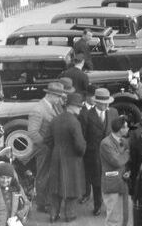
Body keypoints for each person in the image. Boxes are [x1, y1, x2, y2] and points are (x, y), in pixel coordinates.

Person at [46, 92, 86, 223]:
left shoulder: (55, 120)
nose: (80, 109)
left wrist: (56, 149)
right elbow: (80, 145)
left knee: (56, 188)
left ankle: (53, 214)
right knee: (72, 188)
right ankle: (70, 215)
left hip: (56, 157)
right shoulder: (74, 122)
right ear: (72, 106)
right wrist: (81, 151)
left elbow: (47, 140)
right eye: (79, 106)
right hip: (72, 159)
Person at [28, 81, 66, 213]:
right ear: (51, 95)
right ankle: (41, 204)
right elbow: (32, 132)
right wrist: (45, 146)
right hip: (44, 149)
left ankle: (48, 201)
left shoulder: (53, 106)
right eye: (58, 96)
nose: (60, 99)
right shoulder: (38, 110)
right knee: (43, 175)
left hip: (52, 148)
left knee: (50, 175)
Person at [81, 87, 119, 216]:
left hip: (110, 154)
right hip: (93, 155)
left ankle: (110, 207)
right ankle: (97, 205)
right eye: (103, 103)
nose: (106, 105)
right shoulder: (85, 115)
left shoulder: (113, 112)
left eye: (108, 102)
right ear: (96, 102)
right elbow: (83, 136)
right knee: (97, 182)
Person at [99, 117, 130, 226]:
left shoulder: (124, 141)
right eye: (126, 127)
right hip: (112, 184)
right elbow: (117, 161)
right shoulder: (106, 143)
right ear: (120, 129)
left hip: (122, 183)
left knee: (123, 216)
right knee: (113, 218)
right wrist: (127, 153)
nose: (128, 129)